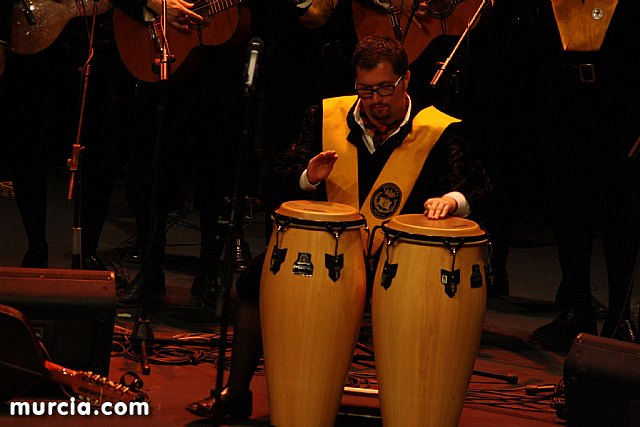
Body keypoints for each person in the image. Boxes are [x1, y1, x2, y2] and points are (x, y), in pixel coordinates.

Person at [185, 34, 491, 419]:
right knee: (253, 282)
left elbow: (477, 185)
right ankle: (236, 392)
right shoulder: (325, 117)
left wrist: (452, 200)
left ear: (406, 80)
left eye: (384, 88)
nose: (376, 100)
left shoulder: (437, 128)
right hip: (328, 252)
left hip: (399, 260)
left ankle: (419, 406)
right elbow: (271, 182)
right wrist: (308, 178)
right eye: (365, 91)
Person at [529, 0, 640, 351]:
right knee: (567, 212)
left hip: (620, 106)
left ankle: (620, 317)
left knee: (621, 214)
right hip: (563, 104)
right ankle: (577, 309)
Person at [0, 5, 135, 270]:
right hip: (32, 39)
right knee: (27, 149)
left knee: (100, 152)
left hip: (96, 42)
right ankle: (36, 248)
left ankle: (87, 252)